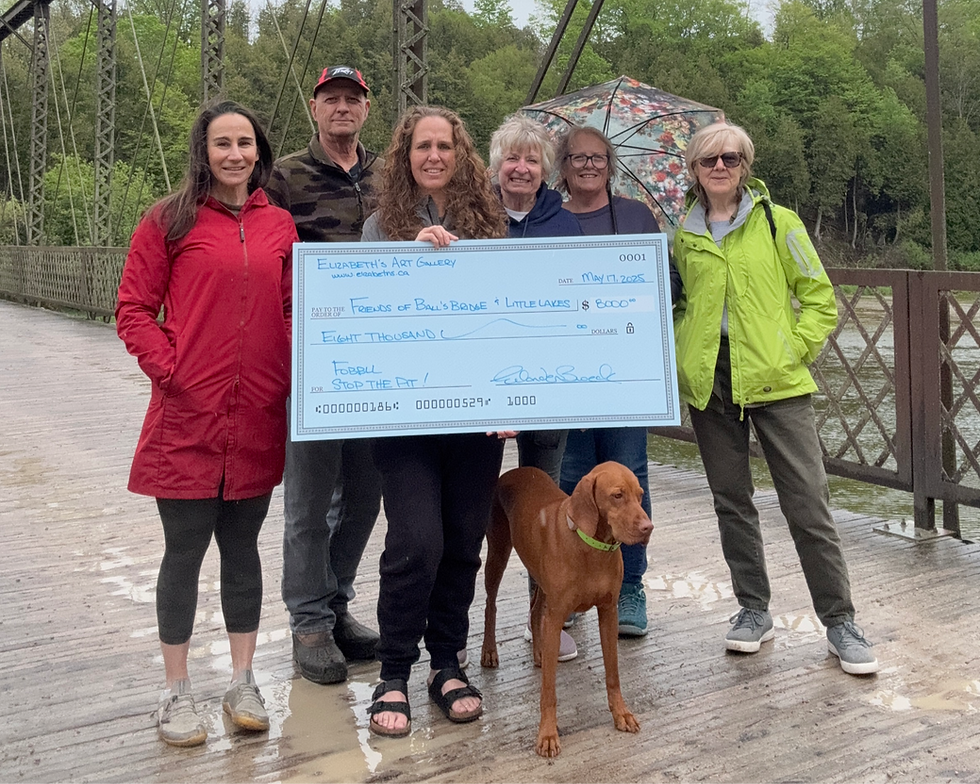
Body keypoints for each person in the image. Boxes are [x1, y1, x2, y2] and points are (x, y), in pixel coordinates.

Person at [116, 100, 296, 746]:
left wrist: (284, 368)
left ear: (259, 150)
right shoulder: (169, 220)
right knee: (184, 553)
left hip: (255, 417)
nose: (235, 154)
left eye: (245, 142)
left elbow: (290, 304)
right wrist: (173, 369)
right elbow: (133, 306)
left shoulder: (278, 226)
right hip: (186, 418)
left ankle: (243, 681)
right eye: (222, 143)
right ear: (203, 150)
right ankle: (176, 691)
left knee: (243, 552)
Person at [672, 121, 878, 675]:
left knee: (808, 504)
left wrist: (794, 351)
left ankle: (839, 621)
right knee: (731, 500)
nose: (721, 167)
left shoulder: (778, 223)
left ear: (746, 166)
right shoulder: (679, 236)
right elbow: (672, 306)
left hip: (777, 382)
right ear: (693, 169)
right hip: (710, 382)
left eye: (732, 159)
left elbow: (819, 297)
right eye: (711, 159)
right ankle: (752, 610)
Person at [360, 105, 512, 737]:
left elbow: (509, 319)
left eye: (444, 145)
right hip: (404, 418)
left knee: (462, 541)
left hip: (474, 420)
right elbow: (365, 311)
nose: (433, 156)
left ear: (460, 154)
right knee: (415, 541)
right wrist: (405, 259)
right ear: (405, 156)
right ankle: (393, 670)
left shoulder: (493, 225)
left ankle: (446, 663)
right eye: (421, 146)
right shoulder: (378, 227)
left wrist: (513, 401)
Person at [265, 65, 384, 686]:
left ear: (366, 109)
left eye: (352, 100)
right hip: (313, 360)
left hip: (378, 362)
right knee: (310, 500)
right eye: (331, 99)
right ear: (314, 107)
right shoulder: (283, 174)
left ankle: (335, 606)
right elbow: (265, 256)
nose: (342, 108)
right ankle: (308, 622)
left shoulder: (389, 174)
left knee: (364, 495)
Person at [556, 124, 676, 638]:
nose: (588, 165)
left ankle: (629, 588)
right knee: (572, 479)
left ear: (611, 164)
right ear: (562, 166)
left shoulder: (634, 216)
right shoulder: (548, 218)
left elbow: (666, 283)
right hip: (563, 375)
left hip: (626, 373)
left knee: (629, 477)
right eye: (578, 158)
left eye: (598, 157)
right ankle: (567, 584)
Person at [488, 113, 582, 661]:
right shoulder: (472, 215)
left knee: (546, 503)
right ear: (496, 164)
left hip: (547, 385)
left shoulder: (564, 224)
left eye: (532, 160)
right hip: (483, 384)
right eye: (512, 157)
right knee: (476, 497)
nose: (521, 168)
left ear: (545, 171)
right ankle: (464, 613)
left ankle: (544, 615)